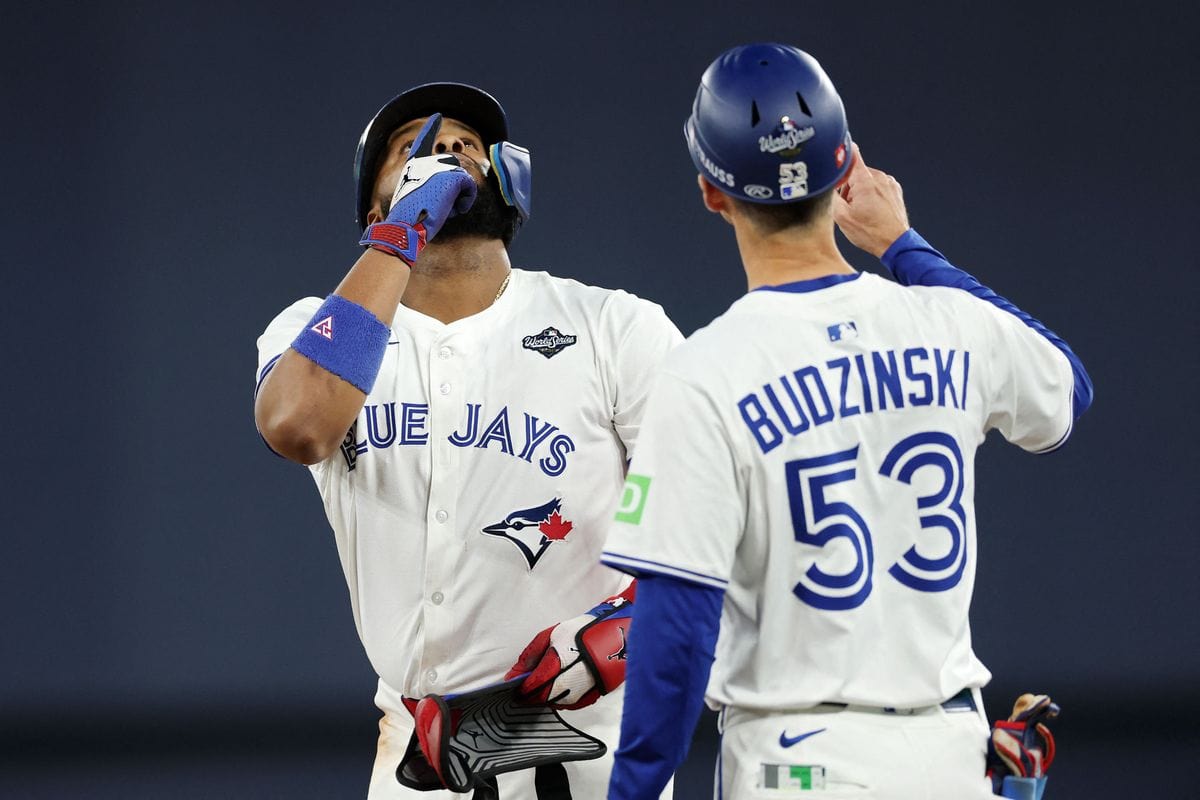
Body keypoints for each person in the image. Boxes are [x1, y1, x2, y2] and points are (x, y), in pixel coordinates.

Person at [601, 43, 1092, 799]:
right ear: (848, 167)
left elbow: (677, 635)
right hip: (949, 753)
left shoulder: (705, 372)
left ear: (710, 191)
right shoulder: (950, 324)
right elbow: (1067, 387)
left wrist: (633, 790)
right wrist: (903, 246)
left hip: (798, 759)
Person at [253, 82, 681, 799]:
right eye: (410, 145)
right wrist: (400, 235)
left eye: (467, 142)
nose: (446, 148)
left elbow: (719, 511)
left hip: (581, 741)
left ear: (509, 182)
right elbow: (299, 424)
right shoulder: (315, 328)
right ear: (373, 208)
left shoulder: (615, 326)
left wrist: (638, 623)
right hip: (413, 755)